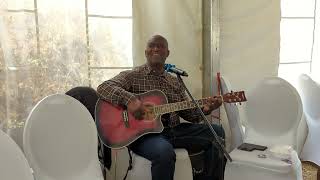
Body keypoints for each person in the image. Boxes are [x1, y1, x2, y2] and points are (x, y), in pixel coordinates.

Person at [97, 35, 225, 180]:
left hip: (174, 131)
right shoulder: (133, 75)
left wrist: (206, 108)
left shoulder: (174, 81)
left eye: (161, 46)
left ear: (167, 53)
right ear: (146, 52)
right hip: (144, 136)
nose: (156, 48)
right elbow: (104, 87)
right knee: (164, 152)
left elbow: (190, 115)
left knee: (217, 133)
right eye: (152, 46)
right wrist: (130, 100)